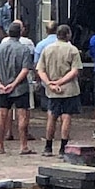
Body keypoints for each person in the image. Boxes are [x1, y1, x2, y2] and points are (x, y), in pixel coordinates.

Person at [36, 24, 82, 156]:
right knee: (66, 117)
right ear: (68, 34)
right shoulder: (72, 50)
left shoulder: (47, 49)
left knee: (51, 116)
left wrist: (49, 83)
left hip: (52, 91)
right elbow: (75, 71)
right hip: (69, 89)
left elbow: (40, 70)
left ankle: (48, 147)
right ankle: (63, 148)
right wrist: (60, 82)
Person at [0, 21, 35, 155]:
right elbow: (25, 69)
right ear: (21, 33)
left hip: (2, 87)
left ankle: (0, 145)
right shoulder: (24, 49)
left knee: (1, 115)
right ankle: (23, 145)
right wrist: (14, 84)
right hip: (20, 87)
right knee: (22, 116)